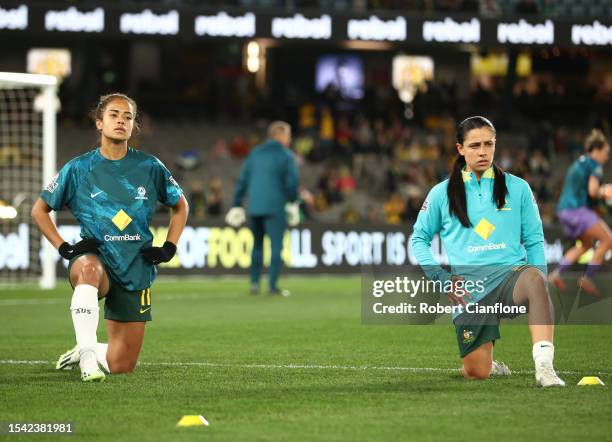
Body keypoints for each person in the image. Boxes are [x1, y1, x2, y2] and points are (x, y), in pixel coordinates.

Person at [31, 93, 189, 382]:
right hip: (96, 258)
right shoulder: (78, 168)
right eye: (114, 115)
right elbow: (40, 210)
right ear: (99, 123)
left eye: (128, 117)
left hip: (136, 265)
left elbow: (180, 206)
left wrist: (169, 246)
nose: (121, 120)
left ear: (133, 126)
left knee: (122, 364)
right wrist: (64, 247)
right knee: (87, 269)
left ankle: (86, 346)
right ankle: (88, 359)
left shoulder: (150, 167)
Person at [411, 116, 565, 387]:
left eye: (488, 144)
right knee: (476, 373)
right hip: (471, 289)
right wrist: (442, 279)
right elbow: (418, 239)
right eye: (474, 146)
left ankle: (545, 367)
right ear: (460, 149)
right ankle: (487, 361)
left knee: (535, 280)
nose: (482, 152)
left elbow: (534, 239)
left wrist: (539, 282)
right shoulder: (441, 193)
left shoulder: (518, 188)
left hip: (511, 279)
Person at [225, 121, 299, 296]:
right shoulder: (286, 155)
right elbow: (292, 183)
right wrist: (293, 201)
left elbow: (242, 180)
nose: (289, 139)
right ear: (279, 135)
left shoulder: (255, 153)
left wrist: (236, 203)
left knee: (257, 245)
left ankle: (254, 284)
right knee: (276, 246)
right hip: (275, 207)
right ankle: (272, 286)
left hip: (255, 207)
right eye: (288, 135)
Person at [548, 129, 612, 295]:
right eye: (605, 153)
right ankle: (588, 278)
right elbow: (593, 191)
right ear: (596, 150)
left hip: (563, 211)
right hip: (576, 210)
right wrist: (605, 191)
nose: (607, 157)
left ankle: (556, 274)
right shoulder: (594, 165)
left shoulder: (579, 163)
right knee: (608, 239)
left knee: (586, 244)